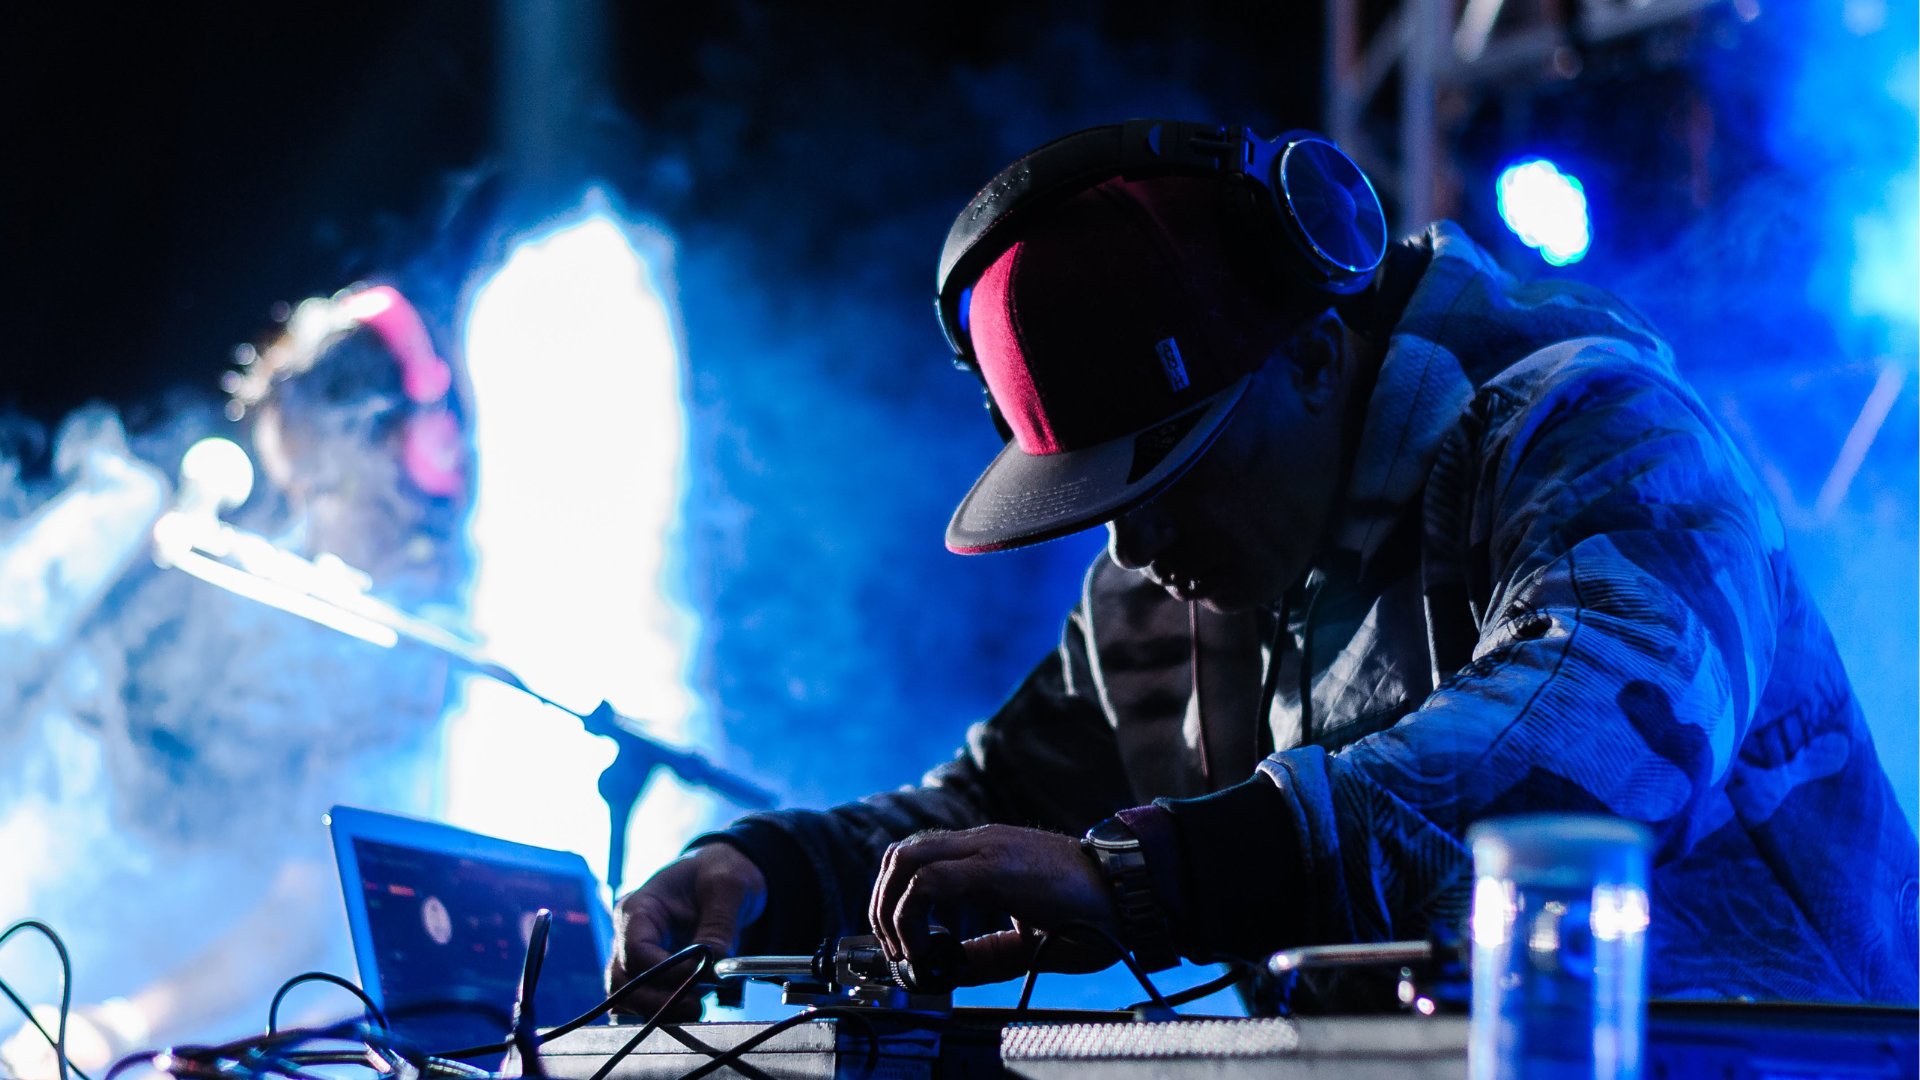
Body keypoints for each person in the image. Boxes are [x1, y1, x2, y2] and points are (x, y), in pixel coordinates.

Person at [610, 122, 1918, 1014]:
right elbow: (995, 814)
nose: (1134, 546)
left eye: (1173, 477)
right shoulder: (1172, 590)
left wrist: (1158, 875)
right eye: (1105, 498)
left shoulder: (1592, 430)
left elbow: (1608, 739)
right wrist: (769, 874)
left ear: (1311, 355)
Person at [0, 284, 473, 1077]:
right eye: (294, 489)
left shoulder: (410, 659)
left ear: (395, 450)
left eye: (319, 489)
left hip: (169, 1021)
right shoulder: (198, 549)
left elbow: (307, 906)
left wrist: (116, 1026)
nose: (305, 520)